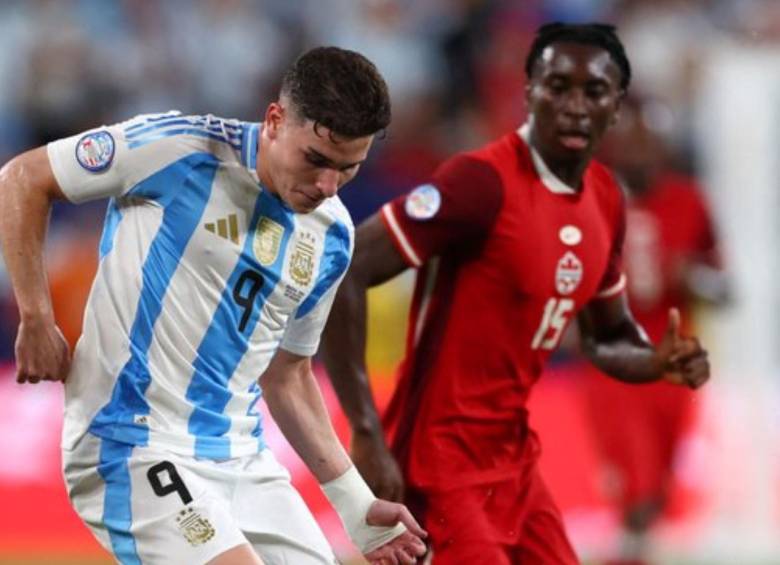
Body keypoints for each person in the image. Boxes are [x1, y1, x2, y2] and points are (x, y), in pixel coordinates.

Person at [0, 46, 427, 565]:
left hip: (242, 459)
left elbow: (288, 376)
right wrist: (37, 315)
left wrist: (357, 505)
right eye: (316, 160)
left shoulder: (332, 234)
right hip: (131, 442)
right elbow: (22, 178)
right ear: (274, 120)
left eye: (348, 169)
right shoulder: (177, 150)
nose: (327, 186)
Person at [321, 23, 710, 564]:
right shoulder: (481, 183)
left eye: (593, 91)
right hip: (440, 462)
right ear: (528, 92)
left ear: (615, 106)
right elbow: (348, 266)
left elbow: (607, 337)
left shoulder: (604, 200)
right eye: (557, 86)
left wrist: (655, 361)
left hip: (515, 460)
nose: (574, 106)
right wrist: (365, 430)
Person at [582, 95, 728, 565]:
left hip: (673, 363)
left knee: (658, 492)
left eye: (650, 142)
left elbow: (726, 287)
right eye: (631, 142)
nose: (641, 153)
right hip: (615, 362)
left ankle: (633, 549)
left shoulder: (688, 199)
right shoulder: (589, 200)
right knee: (637, 492)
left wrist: (693, 278)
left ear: (664, 147)